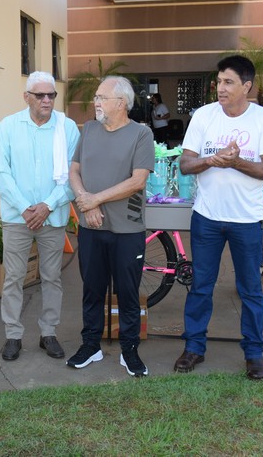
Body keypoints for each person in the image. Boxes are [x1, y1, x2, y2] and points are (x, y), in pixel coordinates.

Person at [175, 55, 263, 380]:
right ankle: (194, 348)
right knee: (201, 287)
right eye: (219, 81)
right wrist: (213, 159)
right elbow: (185, 163)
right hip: (206, 217)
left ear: (246, 86)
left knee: (250, 289)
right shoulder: (204, 116)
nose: (220, 87)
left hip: (247, 219)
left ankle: (254, 353)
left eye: (228, 82)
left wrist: (235, 163)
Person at [67, 76, 155, 377]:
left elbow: (137, 181)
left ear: (121, 103)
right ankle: (90, 345)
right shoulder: (89, 129)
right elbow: (74, 170)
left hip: (127, 230)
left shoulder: (141, 135)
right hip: (91, 228)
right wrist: (84, 200)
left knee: (128, 293)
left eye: (102, 97)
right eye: (96, 97)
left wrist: (95, 201)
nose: (96, 102)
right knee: (92, 290)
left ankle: (129, 349)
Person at [0, 71, 80, 361]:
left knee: (52, 277)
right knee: (14, 277)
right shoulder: (9, 126)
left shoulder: (66, 128)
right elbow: (0, 173)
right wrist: (26, 207)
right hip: (18, 218)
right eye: (40, 95)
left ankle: (48, 333)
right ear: (26, 97)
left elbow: (73, 176)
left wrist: (46, 206)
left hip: (52, 216)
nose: (46, 100)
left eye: (51, 95)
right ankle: (13, 336)